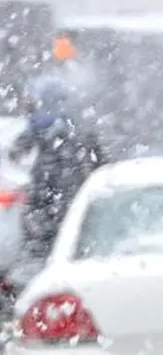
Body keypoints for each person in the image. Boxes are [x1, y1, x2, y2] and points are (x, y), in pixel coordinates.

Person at [11, 75, 107, 261]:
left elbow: (20, 147)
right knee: (70, 224)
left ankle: (46, 255)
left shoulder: (40, 122)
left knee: (43, 229)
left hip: (47, 183)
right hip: (73, 182)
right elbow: (93, 149)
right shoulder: (73, 121)